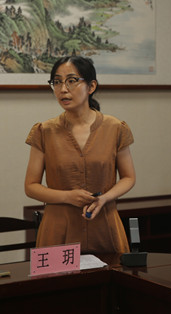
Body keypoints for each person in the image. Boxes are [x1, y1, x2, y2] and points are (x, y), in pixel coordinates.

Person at [24, 55, 136, 253]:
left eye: (72, 81)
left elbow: (128, 177)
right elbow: (31, 187)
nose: (63, 89)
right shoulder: (44, 131)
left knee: (111, 272)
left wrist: (104, 198)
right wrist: (67, 196)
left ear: (91, 86)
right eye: (57, 82)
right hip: (58, 230)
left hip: (104, 226)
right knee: (59, 275)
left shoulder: (115, 128)